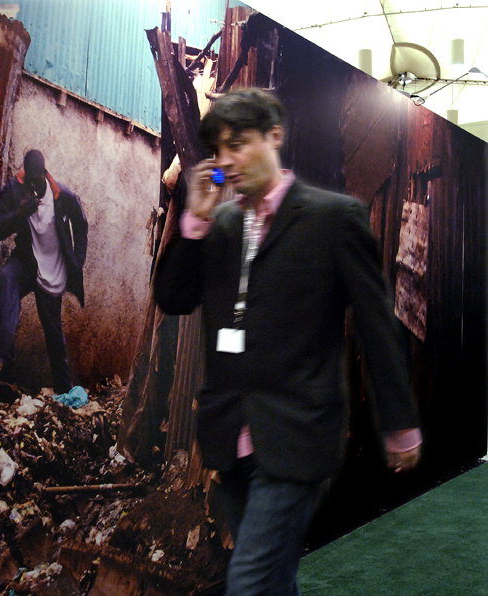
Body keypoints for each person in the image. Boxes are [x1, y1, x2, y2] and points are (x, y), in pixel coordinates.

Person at [152, 88, 421, 595]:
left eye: (238, 144)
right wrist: (195, 221)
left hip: (296, 436)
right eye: (219, 150)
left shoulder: (332, 219)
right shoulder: (221, 224)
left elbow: (376, 323)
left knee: (249, 583)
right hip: (230, 435)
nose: (225, 161)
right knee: (273, 581)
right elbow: (173, 297)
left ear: (274, 137)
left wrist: (400, 423)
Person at [0, 149, 88, 394]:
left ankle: (64, 389)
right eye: (28, 181)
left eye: (36, 181)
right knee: (7, 277)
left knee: (53, 330)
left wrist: (76, 261)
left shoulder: (62, 195)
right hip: (27, 263)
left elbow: (81, 223)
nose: (32, 187)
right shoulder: (15, 190)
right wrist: (18, 214)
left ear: (44, 174)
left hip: (52, 271)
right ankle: (4, 364)